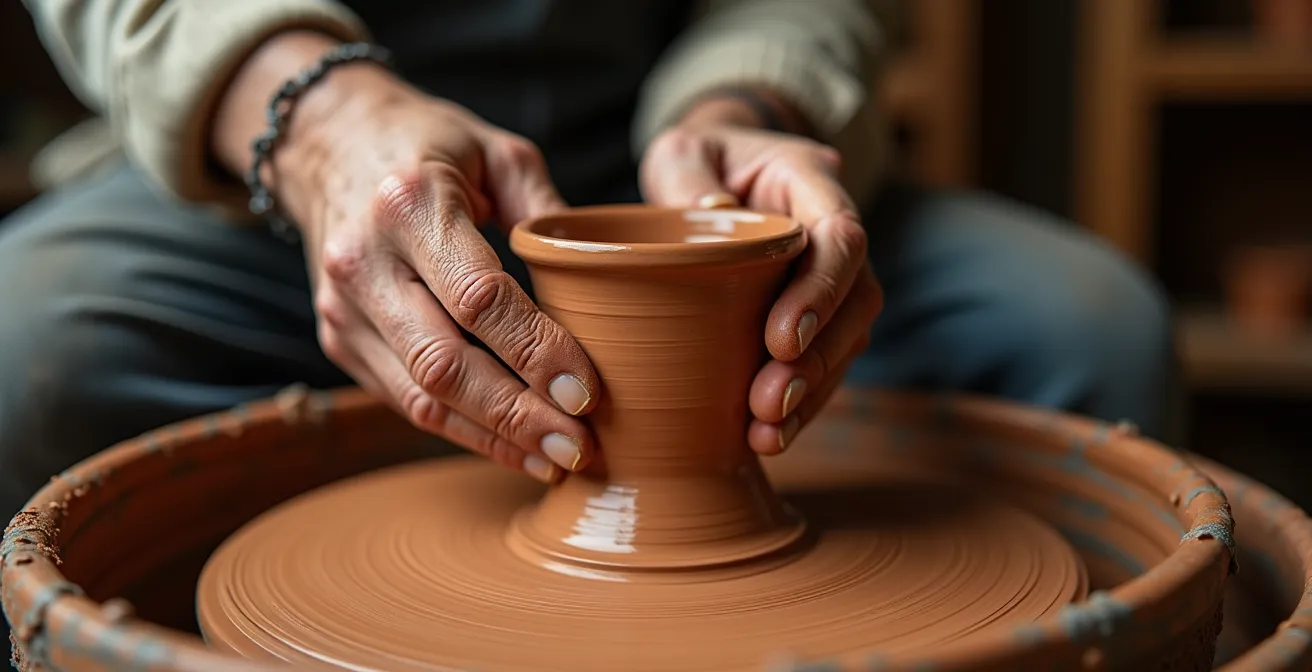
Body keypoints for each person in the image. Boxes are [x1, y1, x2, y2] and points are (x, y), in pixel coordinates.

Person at [1, 0, 1175, 522]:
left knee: (1084, 331)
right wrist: (315, 123)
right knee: (26, 356)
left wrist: (750, 95)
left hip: (665, 154)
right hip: (258, 147)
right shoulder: (291, 128)